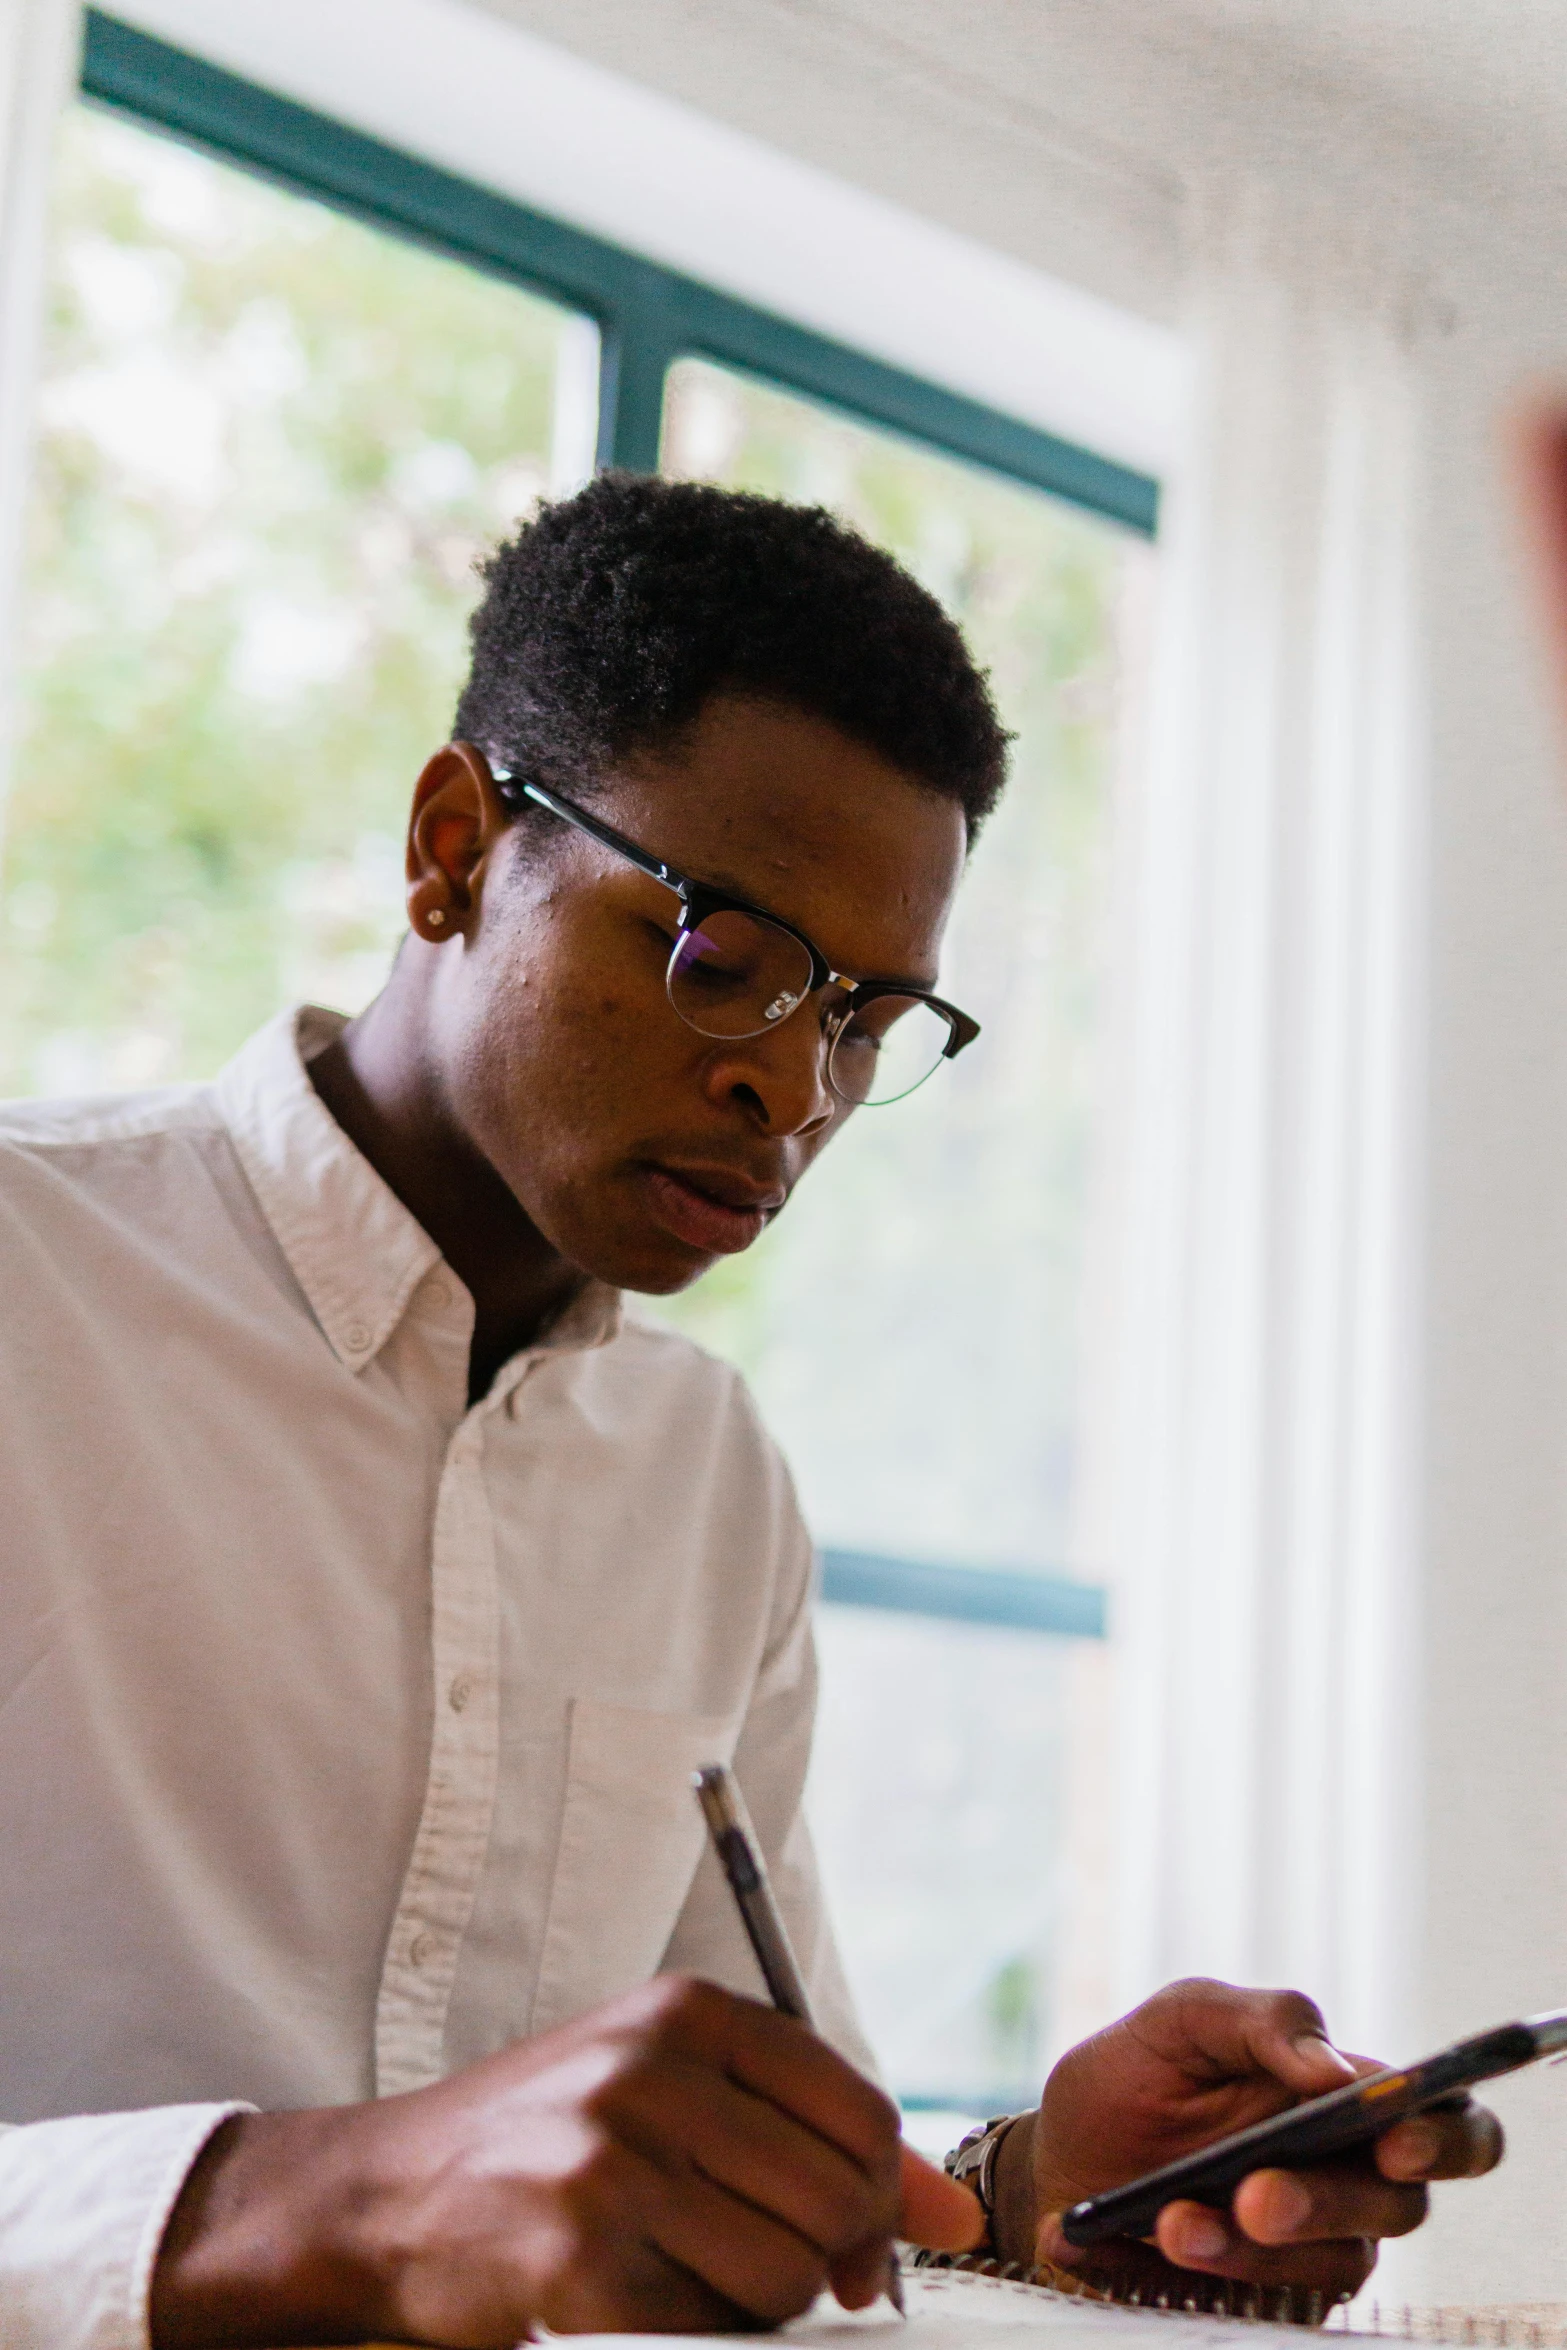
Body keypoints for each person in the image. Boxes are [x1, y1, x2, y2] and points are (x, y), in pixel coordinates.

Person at [0, 476, 1498, 2350]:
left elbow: (756, 2194)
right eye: (719, 952)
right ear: (454, 846)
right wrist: (341, 2203)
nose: (786, 1087)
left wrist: (1038, 2199)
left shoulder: (704, 1481)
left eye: (865, 1018)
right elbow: (449, 2198)